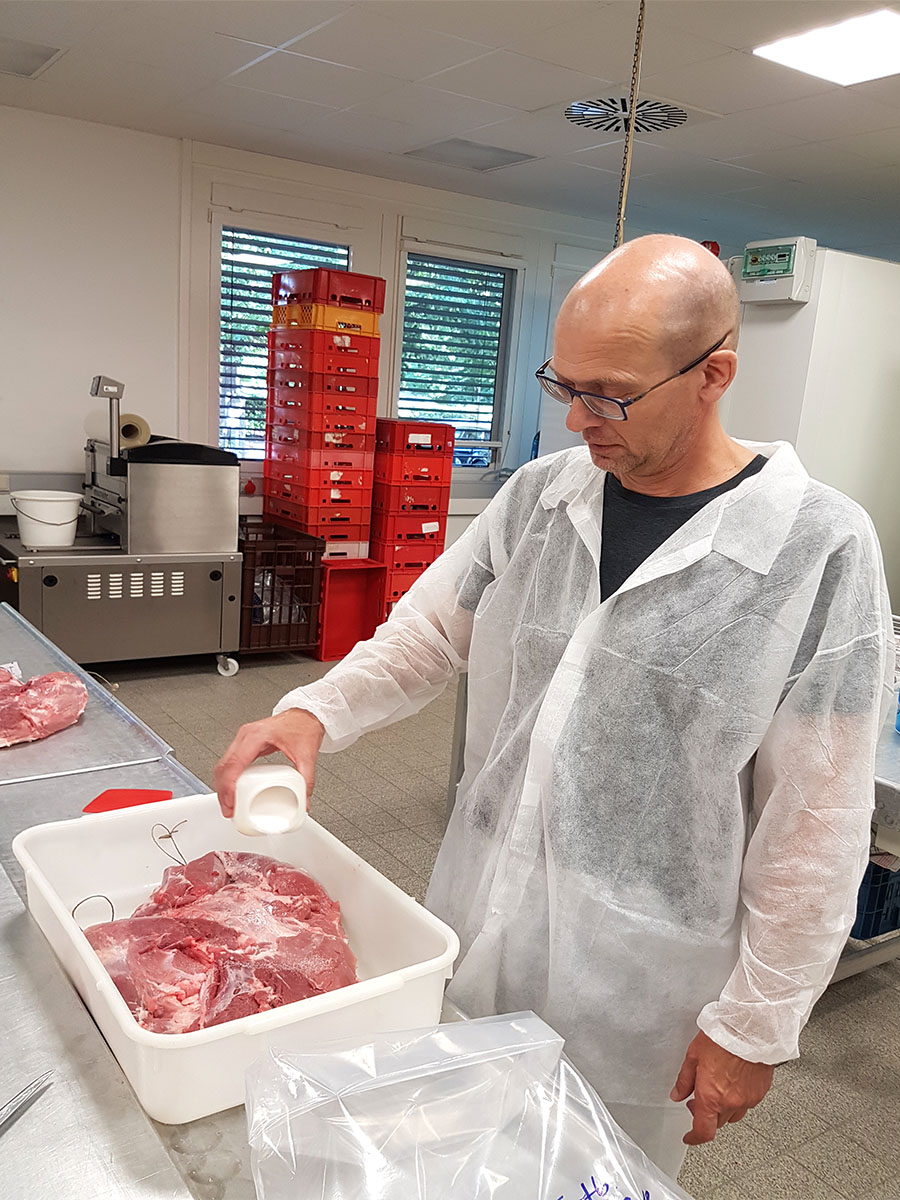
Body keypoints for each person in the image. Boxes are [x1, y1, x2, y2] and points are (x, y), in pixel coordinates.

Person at [216, 234, 893, 1179]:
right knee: (450, 1153)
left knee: (592, 1173)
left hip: (641, 981)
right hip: (478, 906)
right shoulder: (539, 496)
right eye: (563, 386)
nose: (576, 420)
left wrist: (757, 1024)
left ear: (713, 375)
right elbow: (430, 633)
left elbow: (816, 820)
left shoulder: (817, 545)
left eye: (609, 394)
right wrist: (316, 711)